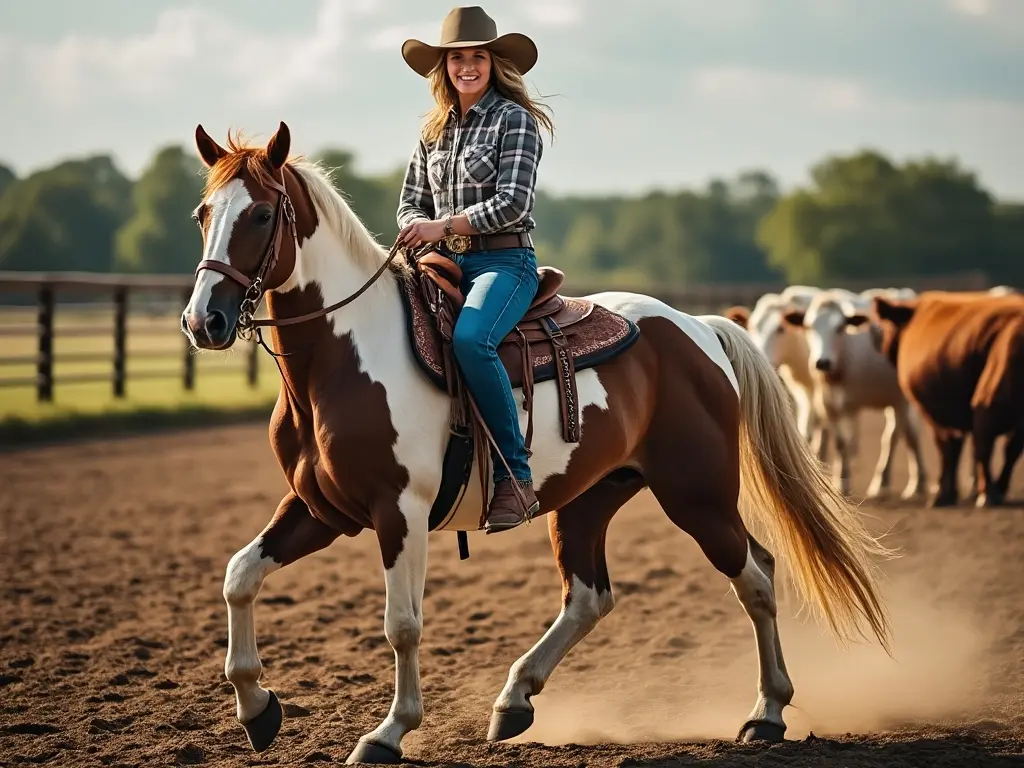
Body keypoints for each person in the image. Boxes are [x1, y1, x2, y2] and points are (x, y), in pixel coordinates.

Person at [396, 6, 555, 533]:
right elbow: (409, 205)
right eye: (457, 58)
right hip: (441, 262)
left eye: (477, 57)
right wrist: (422, 229)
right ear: (444, 67)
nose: (467, 67)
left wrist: (442, 226)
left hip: (503, 261)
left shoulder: (515, 121)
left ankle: (515, 475)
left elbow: (512, 203)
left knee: (471, 340)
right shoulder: (432, 131)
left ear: (494, 63)